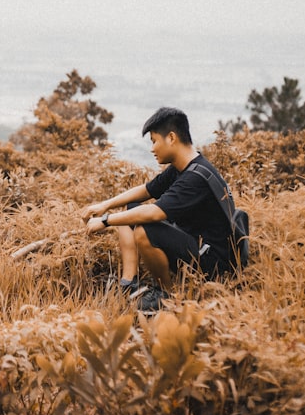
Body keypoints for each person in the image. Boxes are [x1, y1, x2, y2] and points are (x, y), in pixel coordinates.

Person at [80, 106, 233, 313]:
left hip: (212, 260)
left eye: (154, 141)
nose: (152, 149)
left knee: (145, 230)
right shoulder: (185, 166)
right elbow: (146, 190)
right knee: (130, 209)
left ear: (171, 138)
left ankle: (166, 297)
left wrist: (106, 220)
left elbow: (155, 213)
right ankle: (129, 283)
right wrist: (105, 205)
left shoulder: (194, 178)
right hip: (192, 238)